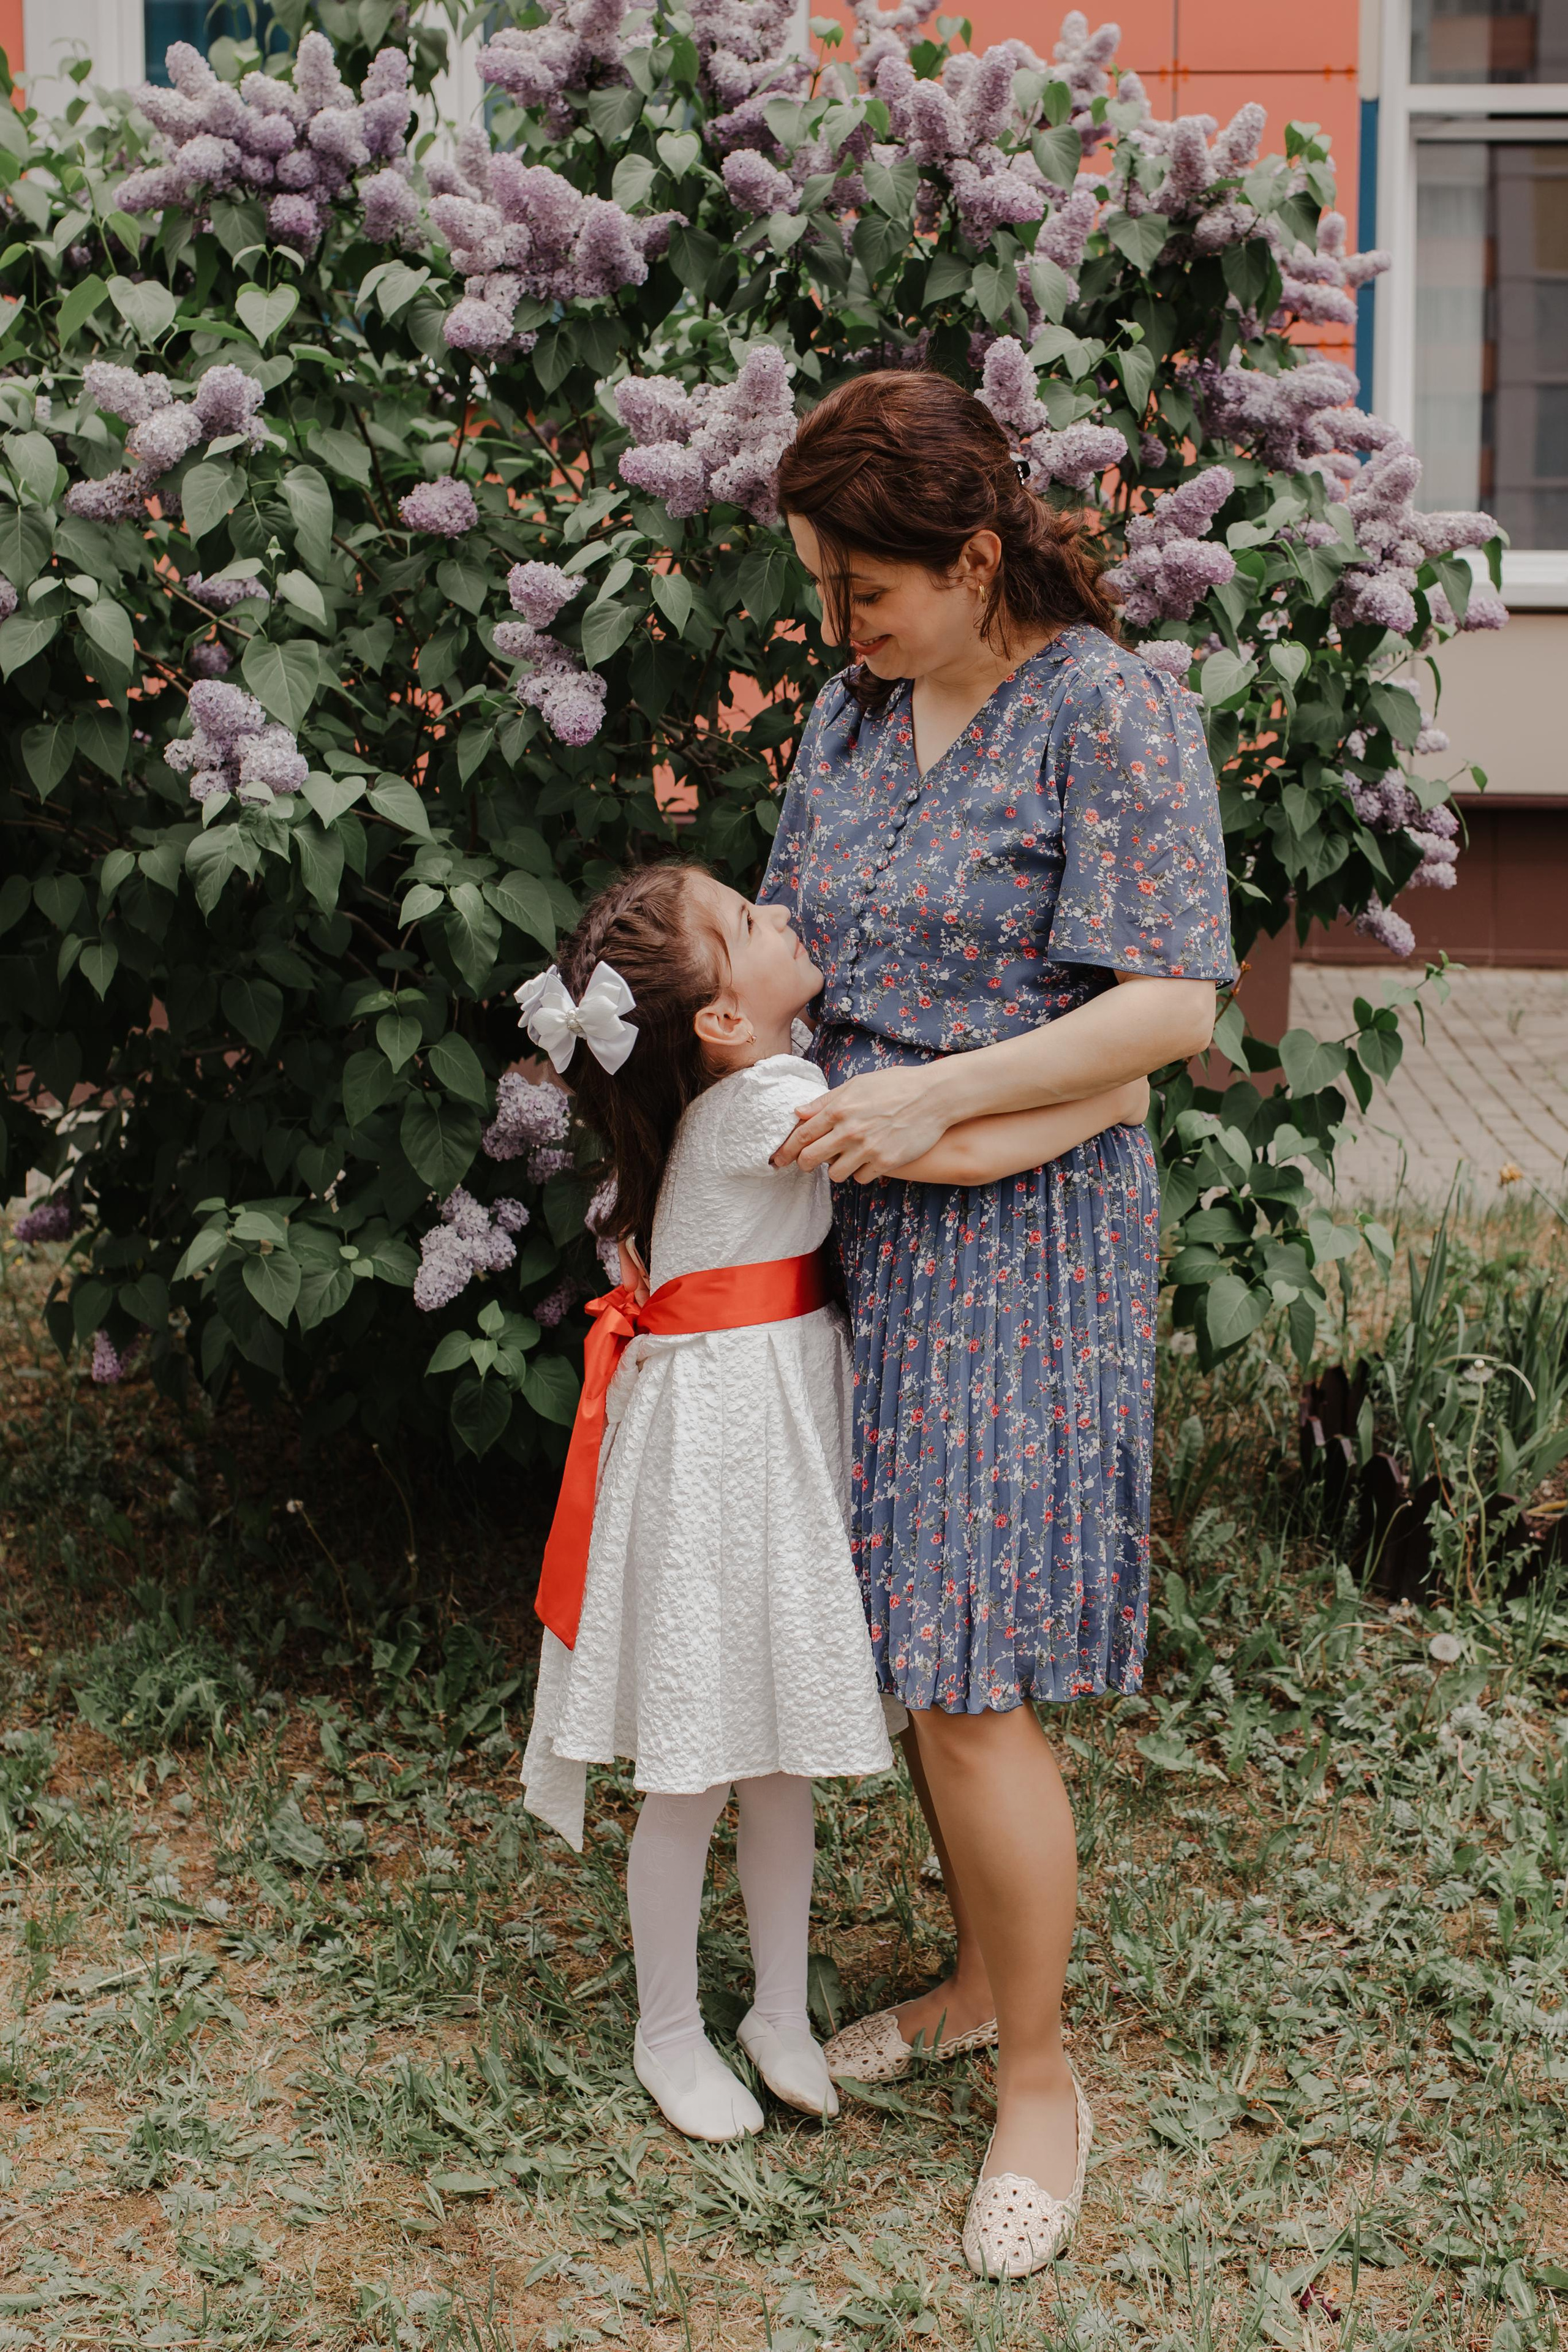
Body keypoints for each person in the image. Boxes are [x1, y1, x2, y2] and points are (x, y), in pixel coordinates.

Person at [759, 369, 1235, 2277]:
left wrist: (946, 1116)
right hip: (871, 1209)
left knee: (970, 1679)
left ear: (973, 559)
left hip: (1019, 1240)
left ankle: (1039, 2072)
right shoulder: (855, 711)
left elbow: (1168, 1016)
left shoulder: (1109, 712)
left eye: (863, 587)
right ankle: (971, 1980)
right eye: (819, 588)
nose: (836, 625)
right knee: (910, 1648)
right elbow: (791, 935)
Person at [517, 858, 1149, 2149]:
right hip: (720, 1450)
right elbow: (953, 1150)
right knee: (698, 1764)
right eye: (752, 923)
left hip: (762, 1425)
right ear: (721, 1023)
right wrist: (1110, 1092)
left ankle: (778, 2015)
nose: (786, 913)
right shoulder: (769, 1099)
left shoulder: (749, 1084)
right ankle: (668, 2030)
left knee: (777, 1760)